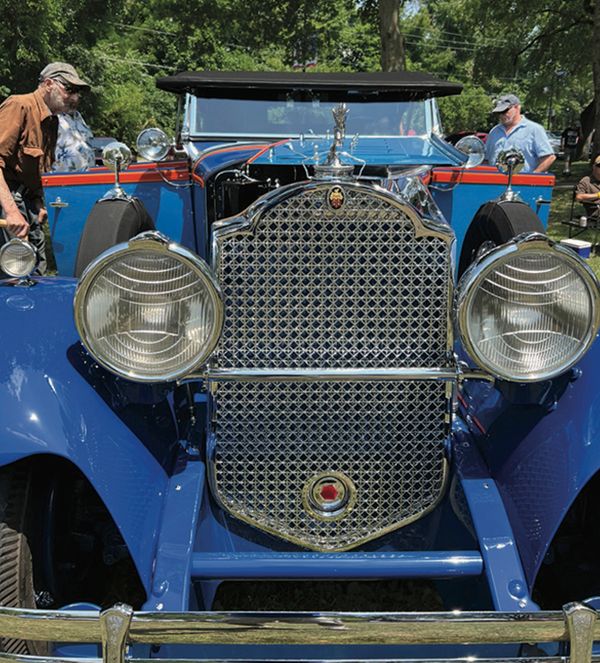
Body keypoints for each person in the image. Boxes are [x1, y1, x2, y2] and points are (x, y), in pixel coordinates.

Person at [0, 61, 90, 274]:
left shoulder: (52, 121)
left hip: (28, 203)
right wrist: (11, 212)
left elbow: (39, 169)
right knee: (14, 274)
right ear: (49, 84)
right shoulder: (19, 105)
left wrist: (39, 203)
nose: (75, 97)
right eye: (69, 89)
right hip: (7, 202)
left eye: (77, 92)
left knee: (36, 271)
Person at [485, 94, 556, 174]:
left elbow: (549, 157)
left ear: (517, 107)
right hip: (495, 180)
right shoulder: (494, 132)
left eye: (504, 111)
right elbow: (486, 159)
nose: (501, 115)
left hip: (523, 180)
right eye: (499, 112)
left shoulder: (534, 130)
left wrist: (532, 177)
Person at [575, 155, 600, 223]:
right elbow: (579, 197)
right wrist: (598, 195)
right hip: (596, 212)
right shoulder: (586, 181)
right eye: (599, 166)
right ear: (594, 167)